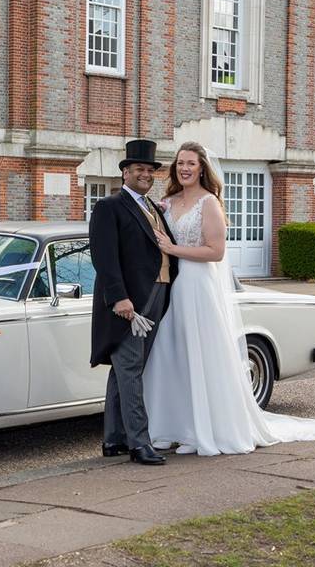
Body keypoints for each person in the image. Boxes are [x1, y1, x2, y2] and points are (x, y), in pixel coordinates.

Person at [142, 142, 315, 456]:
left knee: (200, 356)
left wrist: (172, 249)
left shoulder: (209, 203)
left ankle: (199, 432)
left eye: (191, 163)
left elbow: (215, 252)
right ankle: (170, 427)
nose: (185, 169)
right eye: (181, 163)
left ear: (202, 168)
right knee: (173, 356)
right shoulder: (168, 201)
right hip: (173, 288)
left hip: (199, 288)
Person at [89, 139, 179, 465]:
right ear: (125, 172)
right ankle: (138, 443)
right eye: (139, 168)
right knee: (130, 370)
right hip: (130, 301)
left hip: (158, 292)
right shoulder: (109, 207)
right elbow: (104, 257)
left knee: (127, 369)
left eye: (149, 169)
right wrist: (119, 298)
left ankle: (113, 439)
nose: (145, 174)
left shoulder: (152, 207)